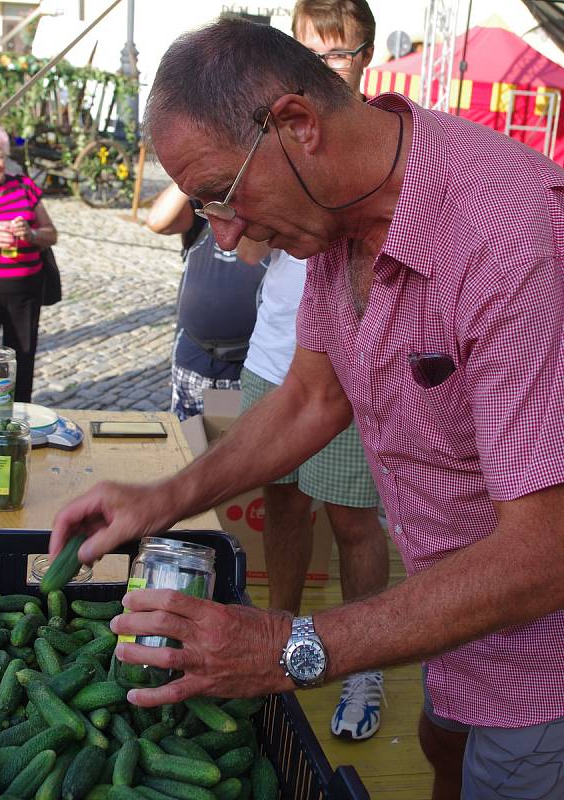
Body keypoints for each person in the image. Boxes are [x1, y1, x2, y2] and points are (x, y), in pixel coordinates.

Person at [51, 18, 564, 800]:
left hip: (540, 660)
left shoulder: (514, 237)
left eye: (222, 194)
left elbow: (546, 551)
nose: (223, 234)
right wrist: (161, 500)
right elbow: (310, 398)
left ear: (296, 125)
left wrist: (295, 646)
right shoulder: (339, 221)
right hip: (451, 622)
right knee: (442, 751)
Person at [239, 0, 388, 741]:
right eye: (308, 51)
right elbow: (243, 251)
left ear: (366, 56)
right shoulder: (266, 135)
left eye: (338, 53)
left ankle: (364, 667)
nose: (324, 67)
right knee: (283, 504)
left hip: (351, 366)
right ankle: (279, 640)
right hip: (274, 354)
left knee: (354, 518)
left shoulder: (375, 143)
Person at [146, 183, 267, 420]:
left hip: (247, 363)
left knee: (236, 447)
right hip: (194, 355)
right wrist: (188, 178)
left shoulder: (267, 217)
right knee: (188, 442)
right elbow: (157, 221)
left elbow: (254, 256)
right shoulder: (203, 213)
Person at [0, 122, 57, 403]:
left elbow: (51, 234)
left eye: (0, 156)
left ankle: (18, 416)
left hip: (25, 291)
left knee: (22, 359)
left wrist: (30, 234)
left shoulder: (23, 185)